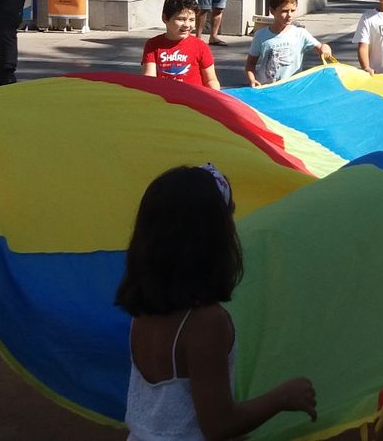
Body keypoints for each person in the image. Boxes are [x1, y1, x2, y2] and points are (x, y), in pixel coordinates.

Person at [117, 165, 317, 439]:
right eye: (230, 213)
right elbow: (219, 425)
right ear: (209, 236)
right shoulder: (205, 323)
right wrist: (283, 397)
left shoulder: (145, 311)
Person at [244, 0, 332, 87]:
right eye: (284, 11)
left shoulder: (300, 33)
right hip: (266, 88)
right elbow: (250, 64)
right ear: (272, 11)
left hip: (292, 88)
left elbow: (320, 48)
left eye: (293, 10)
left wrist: (325, 48)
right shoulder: (261, 35)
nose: (289, 15)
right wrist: (252, 80)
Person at [143, 0, 220, 89]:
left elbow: (211, 80)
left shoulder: (200, 46)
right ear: (165, 18)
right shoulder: (153, 44)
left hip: (194, 99)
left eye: (192, 20)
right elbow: (149, 79)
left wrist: (214, 99)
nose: (187, 25)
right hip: (165, 99)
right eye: (181, 19)